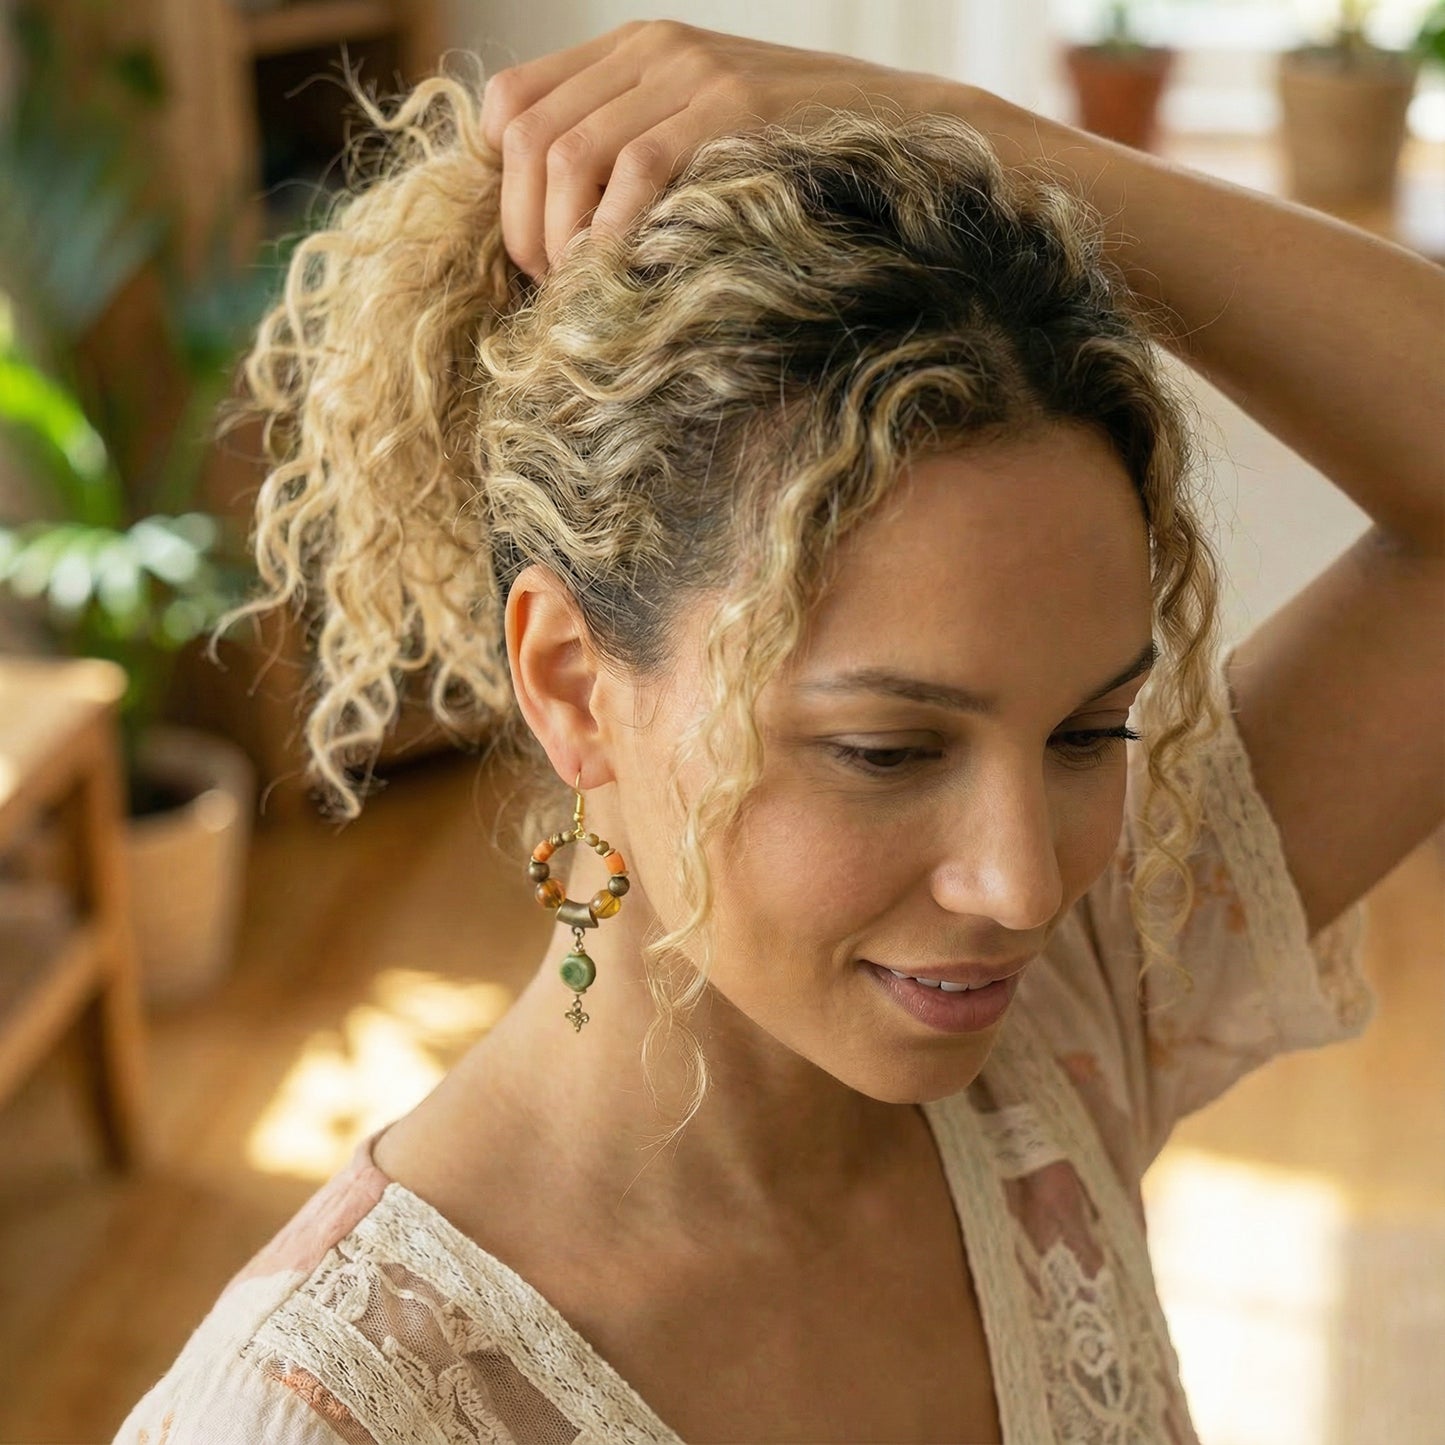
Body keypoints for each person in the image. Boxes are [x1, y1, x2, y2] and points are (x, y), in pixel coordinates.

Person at [115, 20, 1442, 1445]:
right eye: (886, 750)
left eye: (1085, 733)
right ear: (570, 684)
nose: (1020, 884)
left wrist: (977, 136)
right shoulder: (321, 1413)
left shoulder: (1060, 1034)